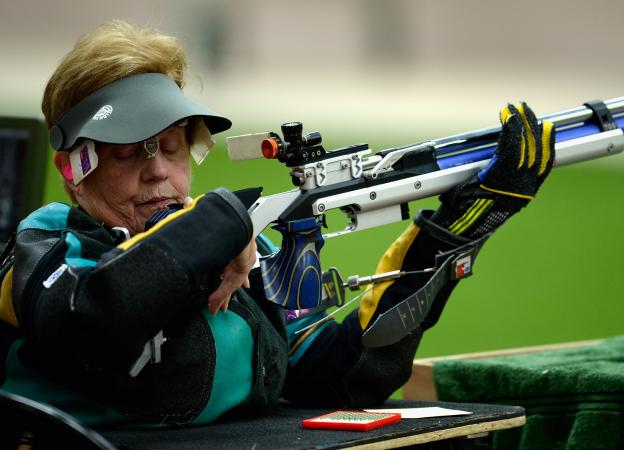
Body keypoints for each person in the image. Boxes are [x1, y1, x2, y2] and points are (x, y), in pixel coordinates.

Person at [0, 20, 553, 427]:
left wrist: (458, 229)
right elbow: (96, 313)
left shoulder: (238, 250)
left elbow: (344, 378)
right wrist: (225, 223)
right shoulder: (44, 243)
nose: (158, 173)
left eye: (170, 147)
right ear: (73, 169)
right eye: (129, 154)